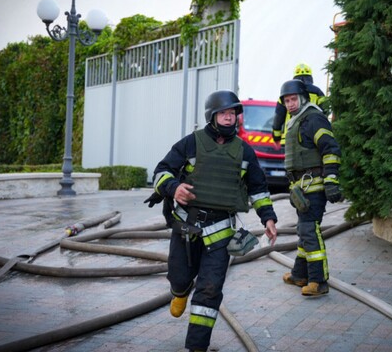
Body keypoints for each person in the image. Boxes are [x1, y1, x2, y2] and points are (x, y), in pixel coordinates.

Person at [146, 90, 278, 352]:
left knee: (209, 289)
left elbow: (258, 188)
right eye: (224, 114)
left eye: (233, 114)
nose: (229, 119)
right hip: (187, 228)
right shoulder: (190, 143)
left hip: (220, 234)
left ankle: (197, 345)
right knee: (179, 276)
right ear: (212, 116)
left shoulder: (245, 152)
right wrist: (173, 188)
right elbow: (162, 170)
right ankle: (180, 291)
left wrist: (269, 218)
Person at [279, 79, 342, 297]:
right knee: (304, 230)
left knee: (309, 230)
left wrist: (331, 179)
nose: (290, 104)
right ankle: (300, 274)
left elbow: (331, 148)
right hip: (301, 188)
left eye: (293, 99)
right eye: (286, 101)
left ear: (303, 98)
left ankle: (319, 281)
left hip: (315, 186)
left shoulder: (314, 119)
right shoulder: (296, 121)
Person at [272, 63, 327, 148]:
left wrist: (276, 137)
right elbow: (325, 112)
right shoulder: (318, 92)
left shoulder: (287, 93)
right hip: (312, 138)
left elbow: (278, 118)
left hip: (290, 137)